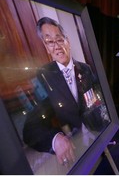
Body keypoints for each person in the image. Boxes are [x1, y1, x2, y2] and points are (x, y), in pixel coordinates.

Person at [23, 17, 109, 166]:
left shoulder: (86, 69)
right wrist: (56, 139)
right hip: (75, 149)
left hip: (99, 139)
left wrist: (107, 127)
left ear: (67, 40)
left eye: (59, 39)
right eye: (50, 42)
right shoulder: (43, 75)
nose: (56, 46)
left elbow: (99, 102)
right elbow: (30, 129)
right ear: (45, 46)